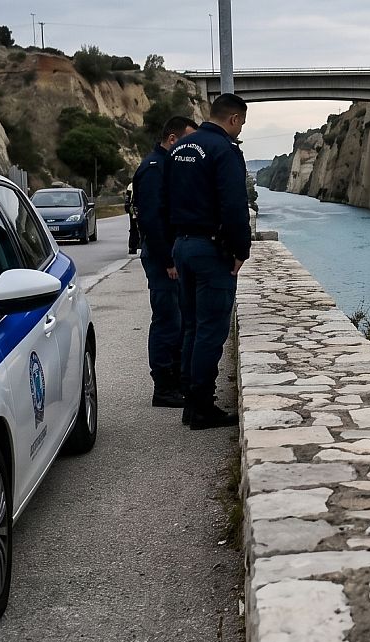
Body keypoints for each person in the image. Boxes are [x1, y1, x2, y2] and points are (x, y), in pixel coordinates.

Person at [163, 94, 251, 430]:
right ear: (233, 119)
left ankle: (190, 401)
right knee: (210, 331)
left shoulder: (180, 149)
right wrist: (240, 250)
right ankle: (201, 407)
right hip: (211, 251)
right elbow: (233, 205)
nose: (240, 129)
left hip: (182, 246)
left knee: (192, 327)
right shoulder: (224, 150)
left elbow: (165, 201)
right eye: (241, 123)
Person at [133, 115, 199, 409]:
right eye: (188, 141)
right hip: (163, 258)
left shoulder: (168, 166)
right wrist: (167, 261)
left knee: (179, 320)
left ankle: (176, 381)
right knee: (167, 321)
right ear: (173, 140)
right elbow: (150, 220)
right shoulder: (154, 169)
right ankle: (163, 387)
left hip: (172, 255)